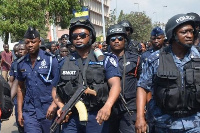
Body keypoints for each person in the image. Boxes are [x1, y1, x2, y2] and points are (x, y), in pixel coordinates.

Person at [53, 16, 121, 133]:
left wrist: (107, 106)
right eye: (74, 36)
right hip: (71, 118)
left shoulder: (105, 60)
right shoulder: (63, 62)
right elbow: (55, 90)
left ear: (91, 37)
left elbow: (116, 85)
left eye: (83, 35)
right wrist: (61, 107)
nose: (78, 38)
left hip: (96, 115)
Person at [135, 13, 200, 133]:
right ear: (173, 34)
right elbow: (143, 87)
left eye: (191, 31)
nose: (189, 35)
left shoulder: (198, 57)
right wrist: (140, 118)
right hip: (164, 124)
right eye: (184, 32)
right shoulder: (156, 59)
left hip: (195, 124)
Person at [16, 27, 59, 133]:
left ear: (39, 42)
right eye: (27, 42)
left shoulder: (50, 60)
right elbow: (20, 88)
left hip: (49, 110)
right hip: (30, 111)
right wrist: (20, 112)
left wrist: (54, 105)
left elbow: (59, 85)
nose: (30, 45)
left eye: (33, 42)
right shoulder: (21, 63)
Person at [106, 24, 142, 133]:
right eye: (113, 39)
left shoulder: (136, 59)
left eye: (120, 38)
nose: (116, 41)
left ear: (125, 40)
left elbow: (143, 85)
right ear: (108, 41)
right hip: (108, 107)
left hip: (129, 107)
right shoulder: (103, 60)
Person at [9, 42, 27, 133]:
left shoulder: (32, 62)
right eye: (18, 50)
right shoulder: (15, 64)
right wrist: (8, 98)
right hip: (18, 98)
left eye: (22, 49)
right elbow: (12, 81)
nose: (19, 52)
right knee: (19, 121)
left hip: (30, 98)